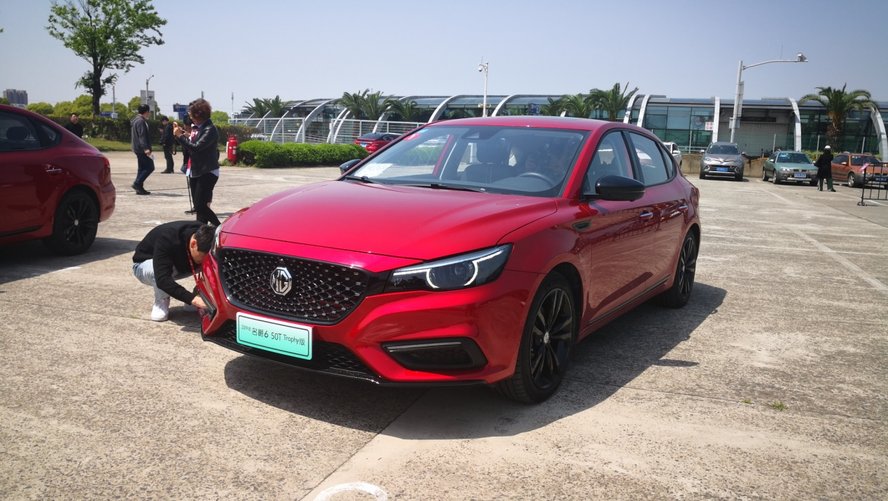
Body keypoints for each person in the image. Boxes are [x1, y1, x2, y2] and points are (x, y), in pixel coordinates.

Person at [132, 221, 212, 322]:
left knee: (213, 264)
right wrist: (193, 300)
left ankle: (198, 295)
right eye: (202, 257)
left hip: (179, 265)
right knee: (156, 271)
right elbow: (162, 280)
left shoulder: (207, 234)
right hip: (145, 266)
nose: (204, 261)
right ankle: (161, 301)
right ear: (193, 244)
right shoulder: (168, 238)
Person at [174, 99, 222, 226]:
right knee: (199, 207)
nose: (190, 117)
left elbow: (196, 147)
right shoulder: (197, 127)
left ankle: (219, 228)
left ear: (199, 114)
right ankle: (201, 231)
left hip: (207, 171)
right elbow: (193, 143)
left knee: (200, 205)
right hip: (195, 169)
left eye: (191, 114)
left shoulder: (210, 129)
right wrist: (183, 135)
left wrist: (180, 136)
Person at [131, 104, 154, 195]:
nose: (149, 114)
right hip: (142, 149)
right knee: (150, 167)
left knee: (141, 168)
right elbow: (142, 136)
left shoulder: (136, 120)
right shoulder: (140, 121)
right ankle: (137, 183)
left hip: (137, 148)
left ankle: (139, 187)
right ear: (146, 112)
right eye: (149, 112)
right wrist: (146, 148)